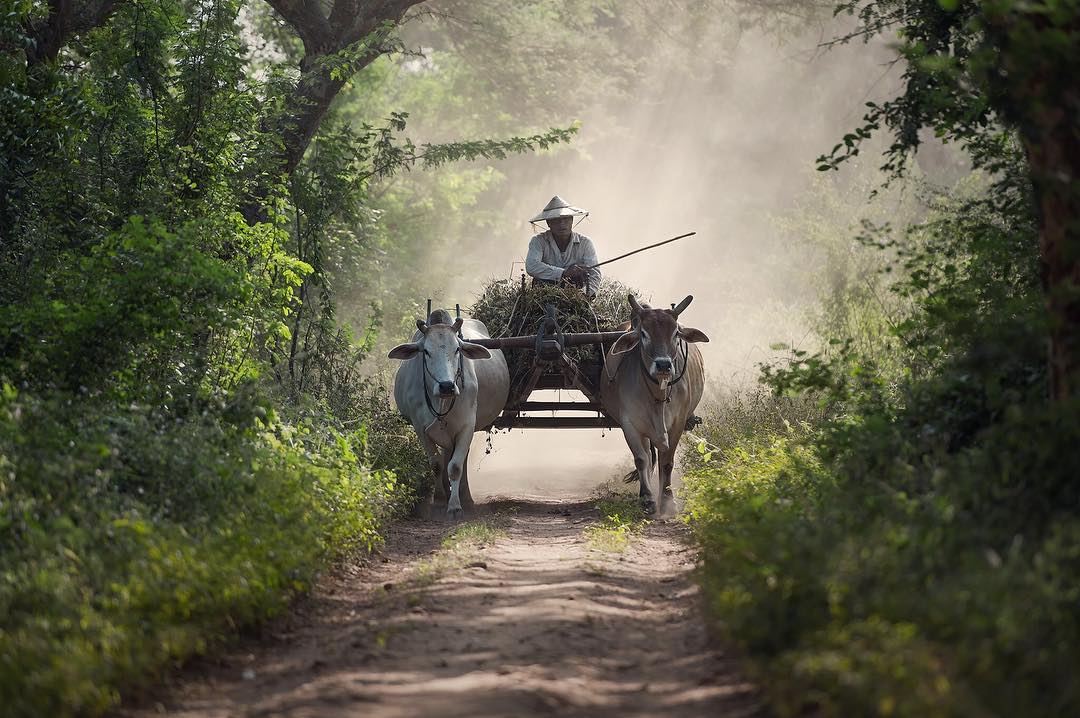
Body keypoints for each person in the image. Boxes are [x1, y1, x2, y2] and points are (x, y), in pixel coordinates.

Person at [524, 195, 601, 298]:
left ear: (572, 220)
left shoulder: (585, 243)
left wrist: (584, 294)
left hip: (577, 294)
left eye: (566, 219)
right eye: (556, 220)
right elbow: (532, 266)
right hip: (546, 295)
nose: (562, 224)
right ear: (548, 223)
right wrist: (563, 273)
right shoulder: (538, 241)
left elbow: (594, 273)